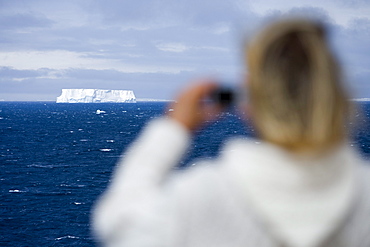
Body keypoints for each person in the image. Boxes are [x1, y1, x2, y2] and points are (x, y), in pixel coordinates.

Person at [92, 18, 370, 247]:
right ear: (336, 94)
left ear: (248, 102)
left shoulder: (202, 194)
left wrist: (172, 130)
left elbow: (120, 223)